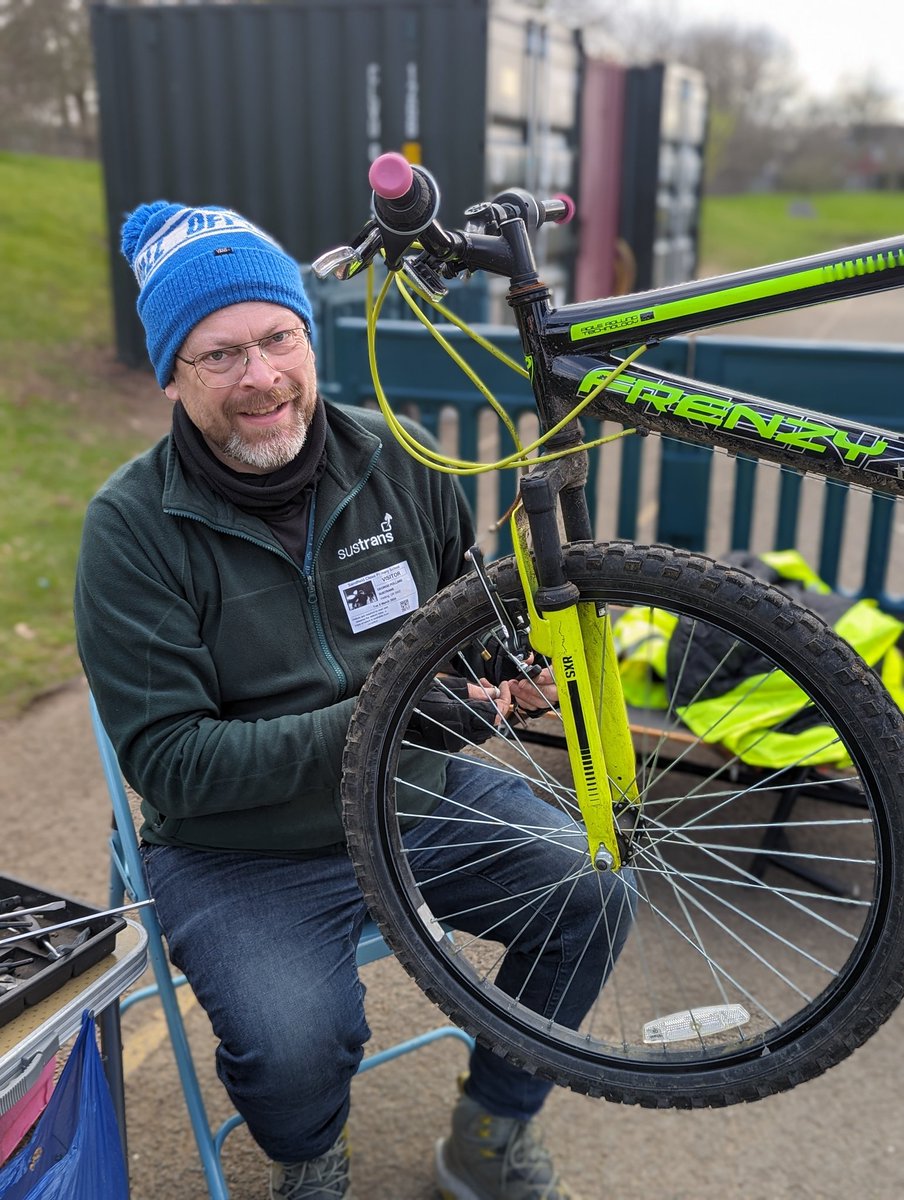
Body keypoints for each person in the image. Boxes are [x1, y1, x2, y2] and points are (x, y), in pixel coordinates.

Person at [75, 200, 635, 1200]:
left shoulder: (400, 456)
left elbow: (464, 621)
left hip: (413, 796)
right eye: (218, 356)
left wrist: (504, 676)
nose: (261, 378)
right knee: (295, 1049)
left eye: (277, 337)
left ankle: (490, 1129)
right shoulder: (130, 530)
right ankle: (308, 1148)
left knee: (595, 889)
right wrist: (383, 714)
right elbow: (171, 767)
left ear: (308, 335)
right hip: (241, 849)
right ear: (169, 372)